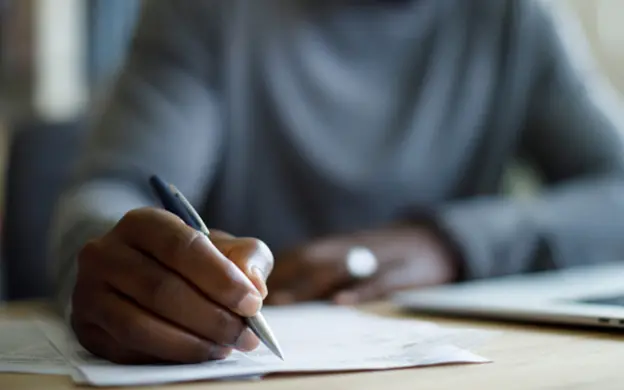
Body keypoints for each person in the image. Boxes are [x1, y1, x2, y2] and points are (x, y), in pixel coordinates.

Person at [49, 0, 624, 364]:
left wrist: (447, 242)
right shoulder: (206, 13)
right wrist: (117, 263)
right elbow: (110, 193)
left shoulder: (513, 17)